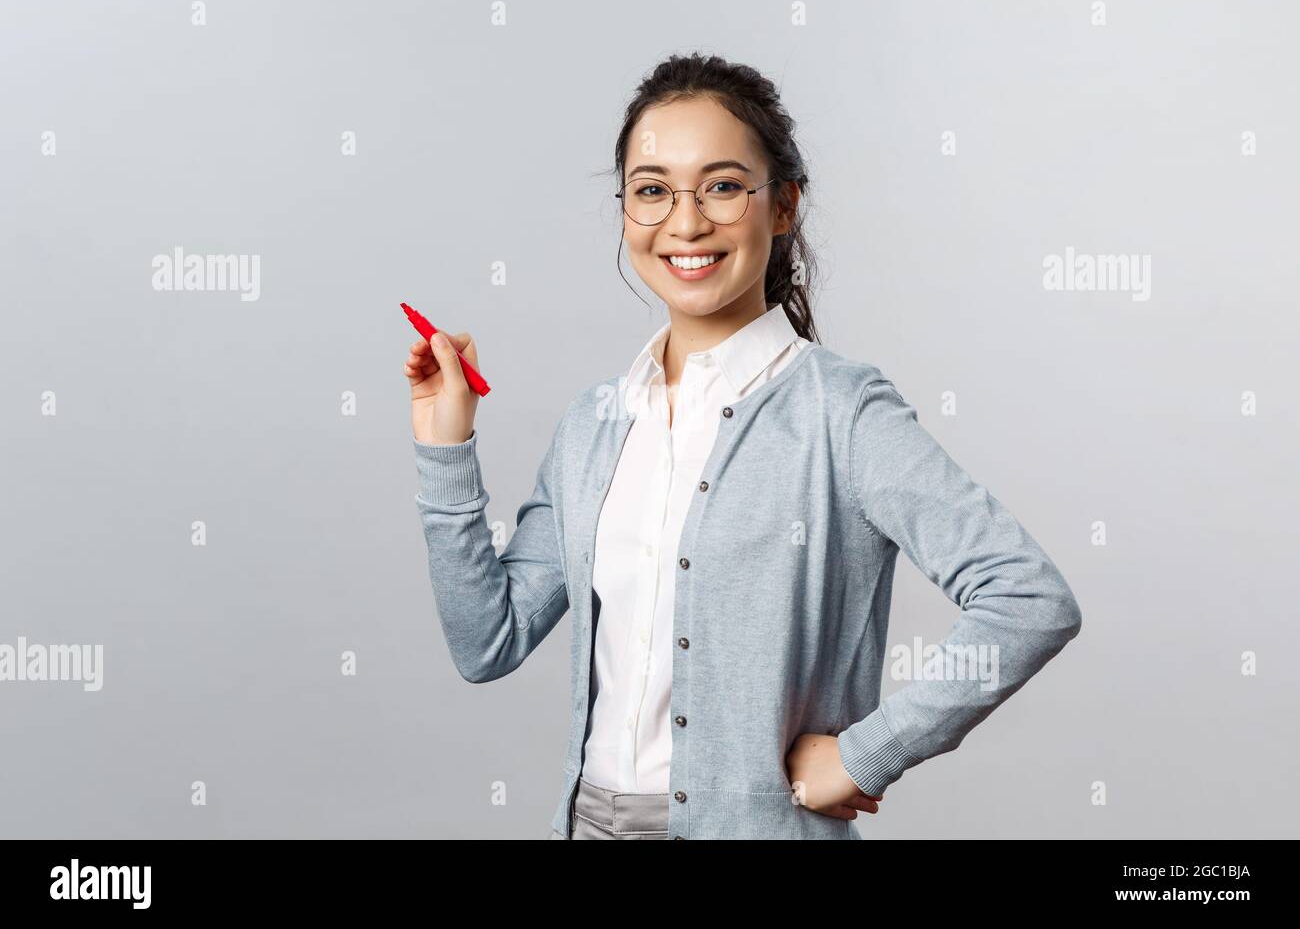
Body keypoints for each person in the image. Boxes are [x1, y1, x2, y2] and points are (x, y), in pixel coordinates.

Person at [404, 52, 1083, 840]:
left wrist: (867, 755)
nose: (686, 224)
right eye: (652, 190)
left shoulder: (841, 414)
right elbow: (487, 641)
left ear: (784, 205)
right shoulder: (596, 423)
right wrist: (445, 446)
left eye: (723, 187)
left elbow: (1028, 599)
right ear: (625, 210)